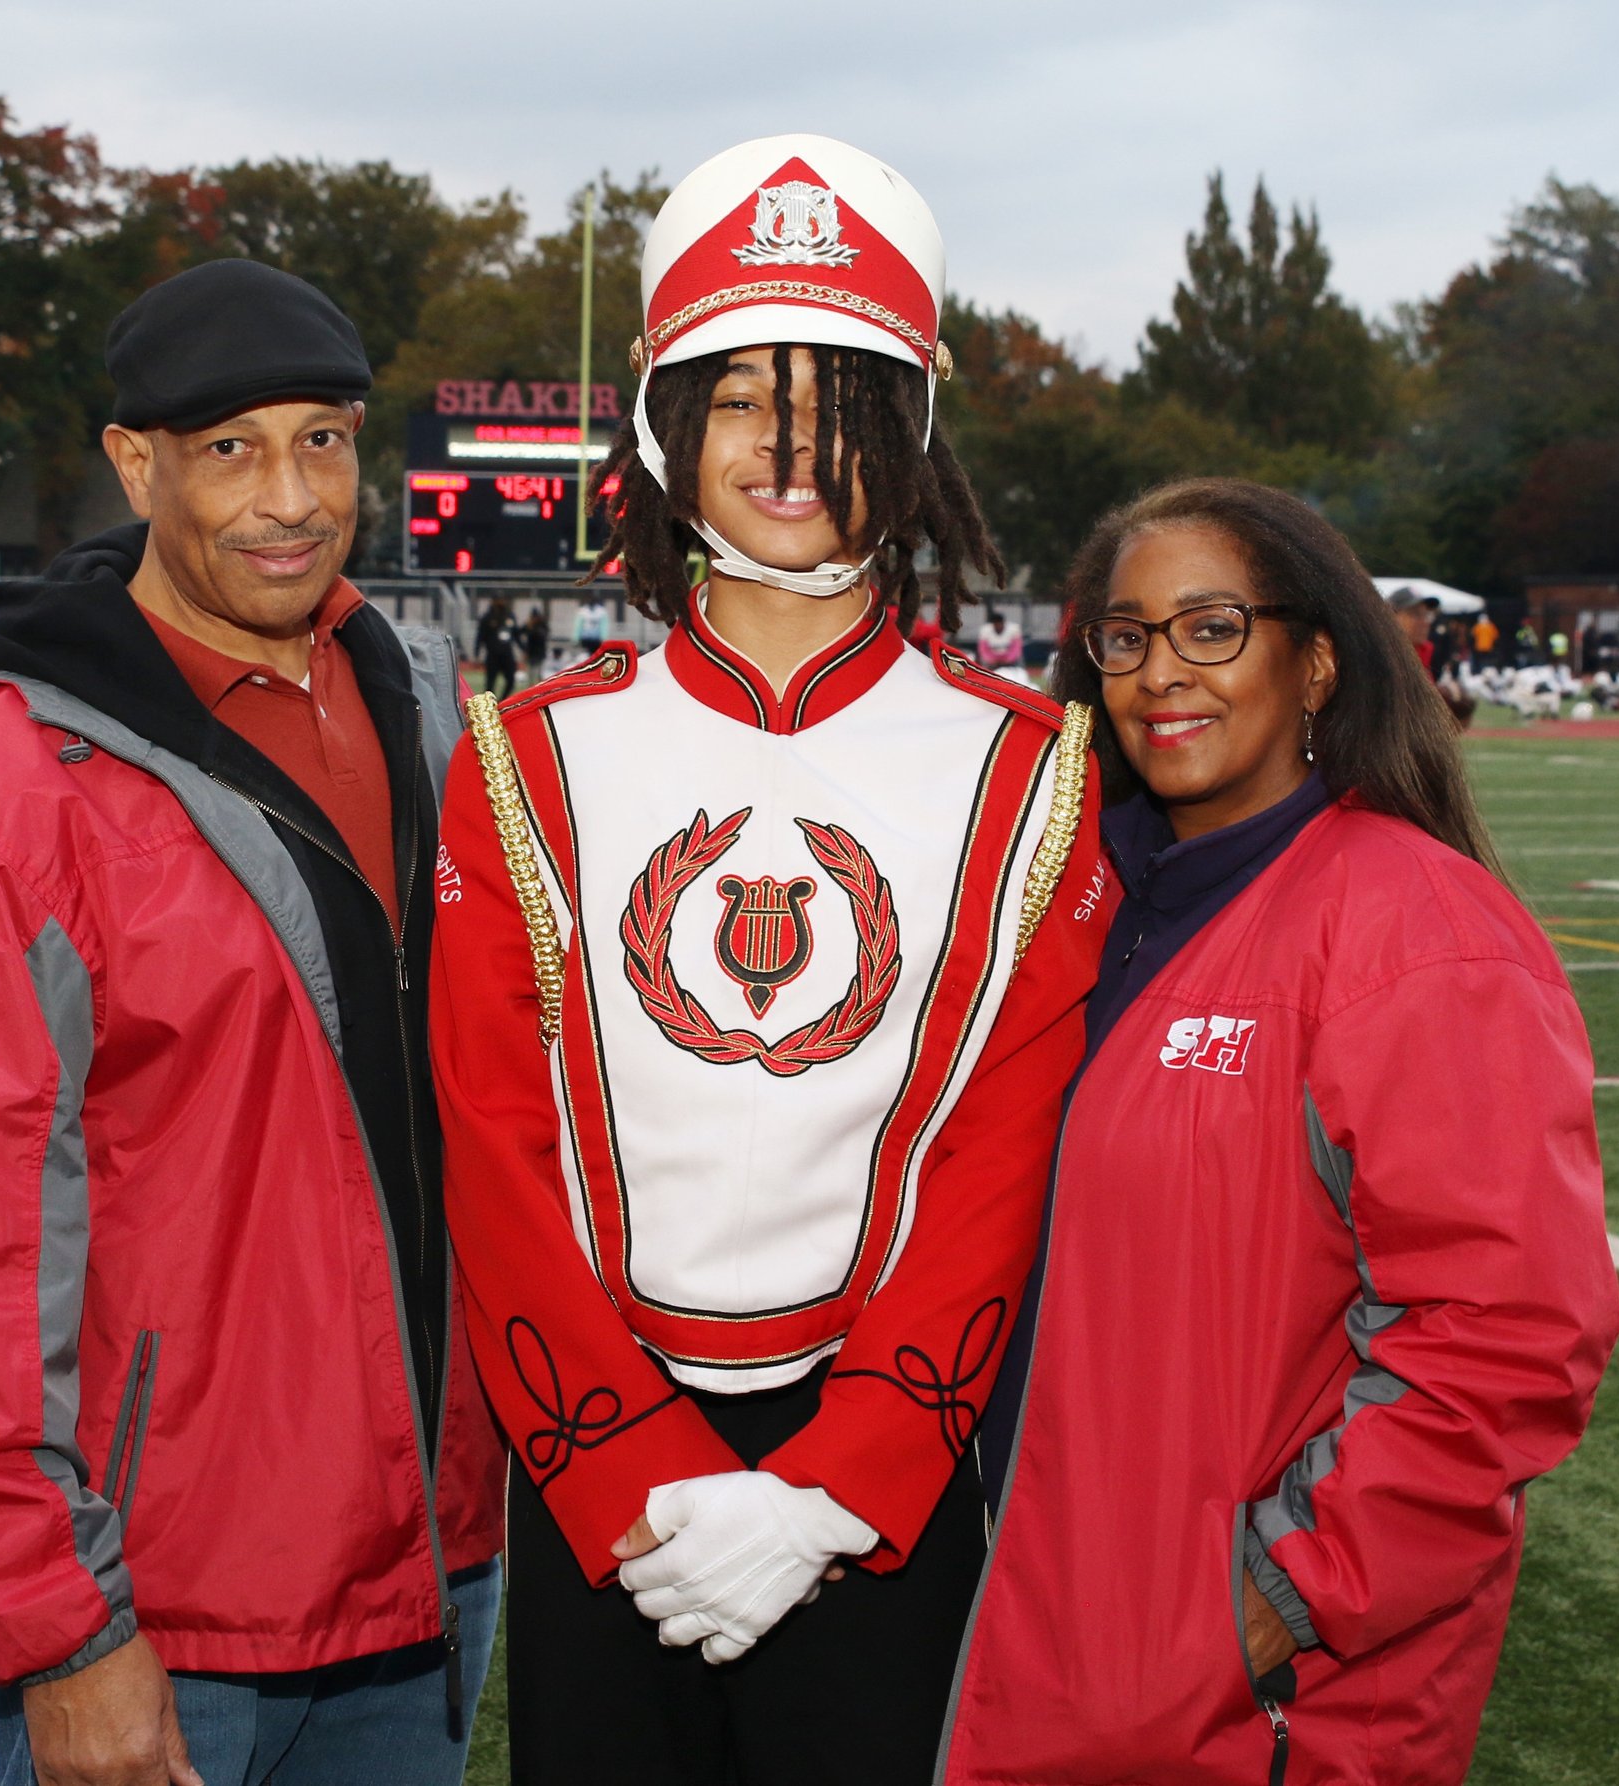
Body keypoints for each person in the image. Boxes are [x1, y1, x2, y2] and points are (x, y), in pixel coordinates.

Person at [434, 135, 1107, 1786]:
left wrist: (837, 1485)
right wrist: (626, 1472)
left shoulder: (1033, 767)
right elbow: (497, 1145)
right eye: (741, 400)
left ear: (912, 438)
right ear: (672, 431)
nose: (787, 451)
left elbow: (997, 1155)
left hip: (881, 1485)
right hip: (606, 1479)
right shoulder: (528, 753)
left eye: (835, 404)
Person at [0, 256, 503, 1786]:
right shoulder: (2, 788)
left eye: (321, 440)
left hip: (432, 1565)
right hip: (174, 1613)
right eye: (229, 448)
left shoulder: (416, 713)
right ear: (137, 465)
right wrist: (54, 1630)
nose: (288, 496)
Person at [943, 478, 1619, 1786]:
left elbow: (1507, 1341)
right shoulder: (1081, 902)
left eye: (1211, 627)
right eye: (1125, 635)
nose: (1159, 671)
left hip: (1251, 1702)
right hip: (1054, 1644)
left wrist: (1273, 1599)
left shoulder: (1417, 925)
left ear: (1315, 661)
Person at [1387, 586, 1439, 679]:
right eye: (1415, 614)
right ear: (1391, 616)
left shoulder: (1424, 658)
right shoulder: (1384, 661)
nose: (1425, 622)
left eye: (1426, 615)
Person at [474, 593, 518, 695]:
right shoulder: (487, 617)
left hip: (507, 654)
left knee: (511, 680)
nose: (501, 602)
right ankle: (490, 706)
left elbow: (515, 634)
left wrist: (524, 648)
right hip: (493, 654)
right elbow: (480, 636)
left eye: (502, 600)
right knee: (490, 684)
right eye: (498, 600)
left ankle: (503, 702)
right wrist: (477, 652)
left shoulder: (509, 615)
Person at [974, 603, 1028, 682]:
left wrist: (1008, 660)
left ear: (1003, 622)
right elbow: (983, 650)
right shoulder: (985, 631)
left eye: (999, 623)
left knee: (1019, 660)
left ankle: (1022, 679)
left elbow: (1016, 649)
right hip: (992, 661)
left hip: (1010, 660)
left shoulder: (1013, 629)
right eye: (995, 623)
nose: (998, 626)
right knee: (983, 664)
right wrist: (992, 660)